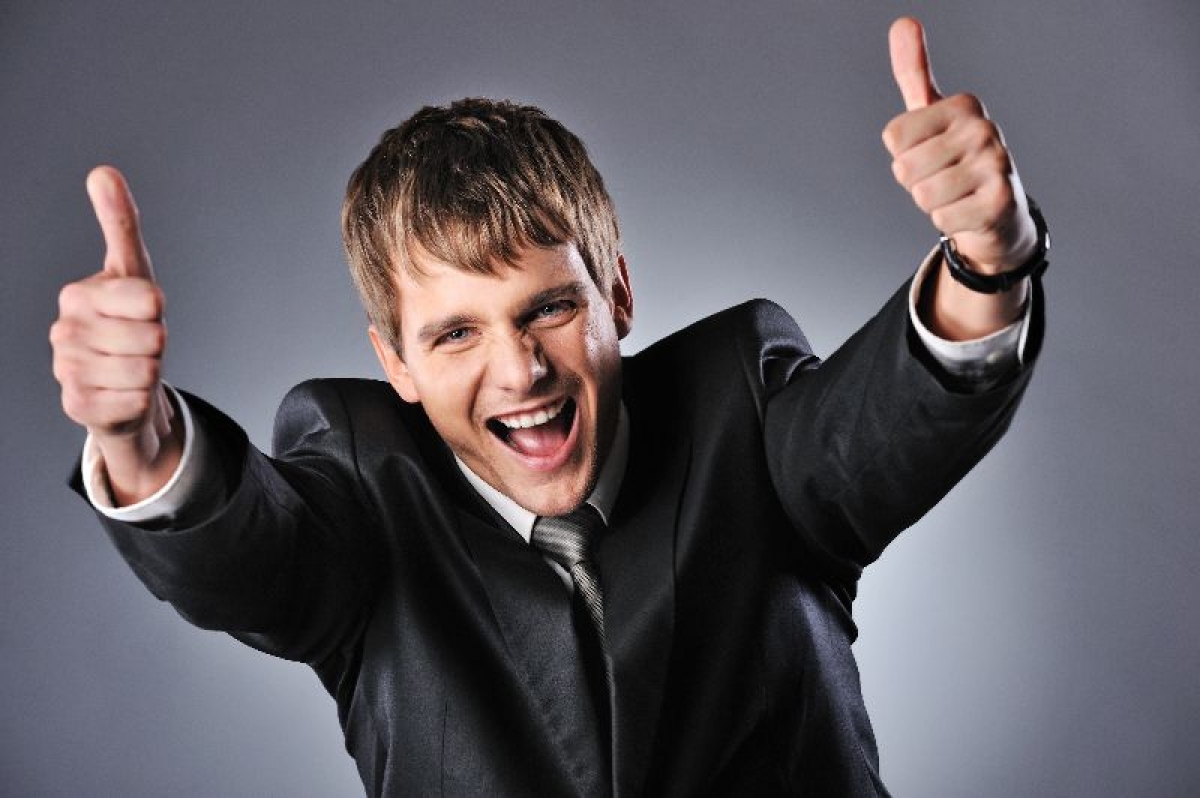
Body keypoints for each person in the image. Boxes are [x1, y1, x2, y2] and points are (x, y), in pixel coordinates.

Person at [51, 18, 1045, 798]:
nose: (520, 371)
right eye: (456, 333)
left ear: (618, 295)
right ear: (394, 364)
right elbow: (249, 555)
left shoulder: (739, 404)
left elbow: (879, 427)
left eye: (550, 309)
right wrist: (140, 442)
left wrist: (986, 263)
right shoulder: (363, 489)